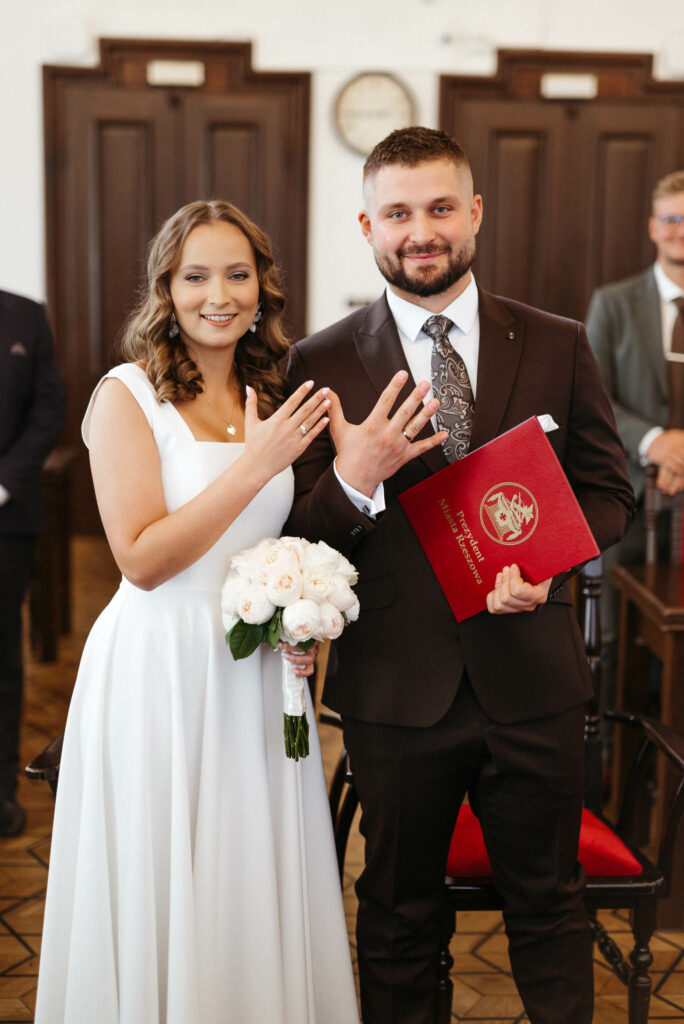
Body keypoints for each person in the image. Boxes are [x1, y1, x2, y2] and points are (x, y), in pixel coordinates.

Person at [285, 127, 635, 1024]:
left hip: (533, 679)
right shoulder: (321, 363)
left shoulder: (555, 342)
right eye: (398, 213)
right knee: (399, 914)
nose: (421, 232)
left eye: (441, 208)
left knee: (550, 907)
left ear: (474, 212)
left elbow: (609, 492)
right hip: (397, 688)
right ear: (367, 225)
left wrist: (549, 561)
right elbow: (299, 538)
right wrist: (355, 477)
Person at [34, 200, 360, 1024]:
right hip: (161, 666)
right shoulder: (127, 395)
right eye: (197, 276)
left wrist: (297, 614)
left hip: (255, 675)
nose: (220, 295)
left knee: (245, 870)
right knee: (166, 867)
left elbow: (274, 541)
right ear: (167, 289)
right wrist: (254, 465)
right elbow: (141, 559)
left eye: (238, 275)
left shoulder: (272, 394)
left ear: (262, 289)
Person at [585, 170, 684, 706]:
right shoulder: (614, 303)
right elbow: (593, 396)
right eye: (671, 219)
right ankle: (612, 752)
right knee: (614, 638)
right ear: (652, 227)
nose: (680, 231)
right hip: (626, 498)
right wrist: (654, 442)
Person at [0, 289, 64, 836]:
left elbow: (48, 411)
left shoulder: (25, 315)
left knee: (2, 659)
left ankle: (1, 793)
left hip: (7, 517)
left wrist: (3, 485)